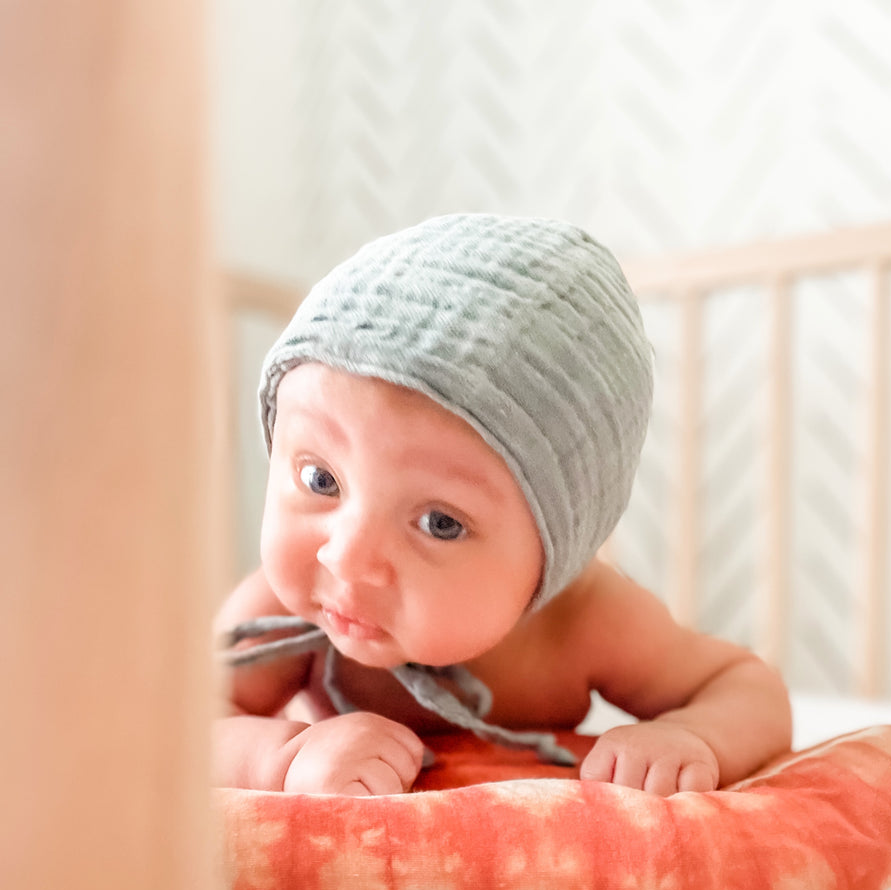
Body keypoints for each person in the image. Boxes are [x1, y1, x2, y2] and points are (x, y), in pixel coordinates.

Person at [214, 213, 792, 798]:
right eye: (320, 479)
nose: (347, 557)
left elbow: (743, 686)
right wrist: (281, 757)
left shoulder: (584, 620)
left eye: (440, 523)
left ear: (555, 549)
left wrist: (694, 736)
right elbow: (177, 725)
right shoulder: (280, 618)